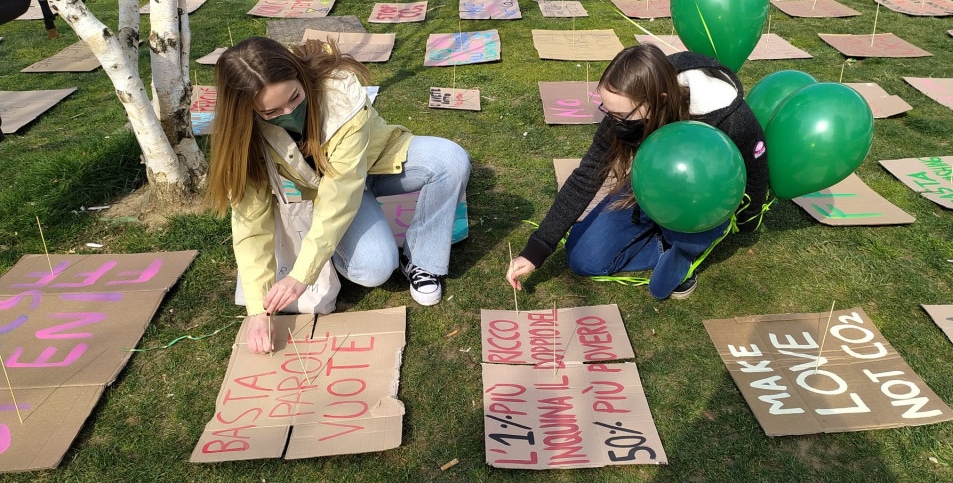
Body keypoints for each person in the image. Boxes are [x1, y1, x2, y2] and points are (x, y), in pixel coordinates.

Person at [208, 37, 470, 353]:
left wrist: (301, 275)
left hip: (376, 162)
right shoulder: (242, 135)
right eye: (272, 111)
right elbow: (251, 224)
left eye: (294, 97)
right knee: (374, 268)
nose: (289, 112)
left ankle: (423, 261)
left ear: (300, 75)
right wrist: (257, 311)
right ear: (246, 109)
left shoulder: (340, 94)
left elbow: (342, 194)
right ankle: (331, 247)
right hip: (326, 191)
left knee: (450, 160)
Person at [506, 44, 768, 299]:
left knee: (687, 227)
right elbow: (586, 177)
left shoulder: (730, 116)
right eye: (608, 111)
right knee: (581, 257)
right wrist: (536, 249)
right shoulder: (627, 108)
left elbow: (756, 166)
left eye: (620, 114)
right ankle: (662, 243)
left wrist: (746, 222)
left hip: (703, 199)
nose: (613, 120)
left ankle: (686, 247)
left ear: (659, 100)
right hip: (652, 185)